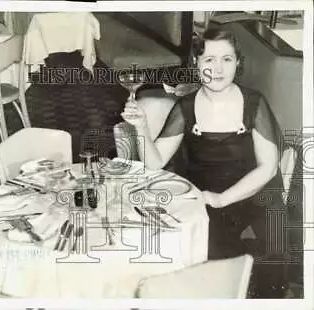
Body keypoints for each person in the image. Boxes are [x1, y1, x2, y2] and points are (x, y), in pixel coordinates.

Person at [121, 27, 288, 298]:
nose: (218, 68)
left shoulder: (254, 103)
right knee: (210, 261)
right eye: (209, 59)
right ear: (196, 64)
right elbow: (155, 164)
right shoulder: (186, 107)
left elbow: (268, 168)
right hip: (207, 198)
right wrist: (140, 128)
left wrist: (223, 199)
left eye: (227, 59)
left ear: (237, 63)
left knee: (272, 246)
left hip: (256, 193)